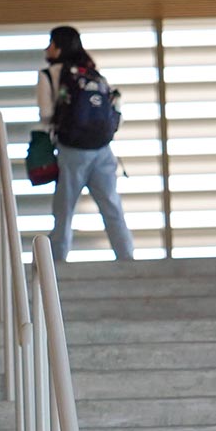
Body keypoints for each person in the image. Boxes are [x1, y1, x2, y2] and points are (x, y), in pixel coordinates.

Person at [39, 26, 135, 261]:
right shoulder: (92, 73)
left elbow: (46, 113)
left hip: (72, 150)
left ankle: (58, 264)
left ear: (59, 46)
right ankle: (127, 259)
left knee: (64, 210)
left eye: (51, 43)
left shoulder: (50, 74)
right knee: (112, 206)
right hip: (102, 149)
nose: (47, 48)